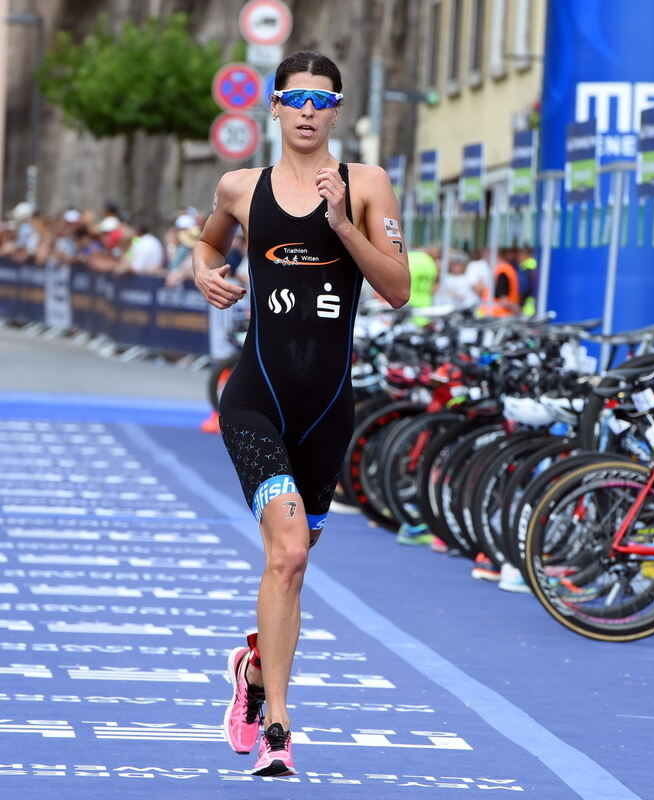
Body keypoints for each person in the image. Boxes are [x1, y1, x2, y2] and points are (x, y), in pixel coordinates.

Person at [192, 50, 409, 778]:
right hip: (256, 398)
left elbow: (400, 288)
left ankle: (254, 673)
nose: (309, 111)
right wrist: (203, 268)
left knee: (295, 561)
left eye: (323, 100)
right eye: (295, 98)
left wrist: (345, 226)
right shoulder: (239, 186)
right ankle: (279, 727)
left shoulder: (368, 185)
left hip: (328, 411)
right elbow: (205, 237)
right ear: (275, 108)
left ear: (337, 111)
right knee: (285, 552)